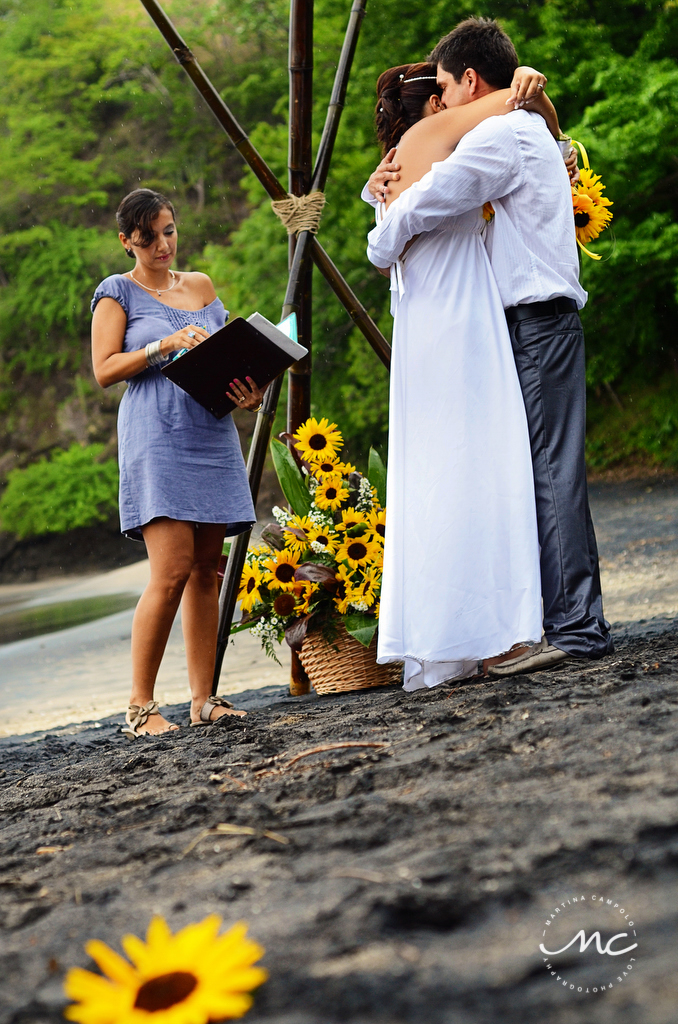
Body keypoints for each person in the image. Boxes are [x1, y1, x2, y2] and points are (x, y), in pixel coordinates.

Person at [366, 18, 613, 682]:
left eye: (445, 85)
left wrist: (386, 207)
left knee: (551, 474)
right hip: (536, 323)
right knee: (545, 470)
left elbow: (431, 203)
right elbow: (561, 159)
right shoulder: (524, 130)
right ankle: (567, 621)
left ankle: (576, 628)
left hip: (536, 322)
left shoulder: (502, 136)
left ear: (471, 79)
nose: (442, 100)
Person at [91, 188, 263, 737]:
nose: (162, 245)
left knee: (207, 571)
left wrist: (249, 391)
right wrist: (162, 346)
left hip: (210, 432)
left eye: (169, 231)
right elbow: (104, 369)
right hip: (155, 434)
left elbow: (230, 356)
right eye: (149, 237)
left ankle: (203, 698)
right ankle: (140, 708)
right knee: (169, 572)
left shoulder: (202, 287)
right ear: (126, 242)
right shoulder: (116, 292)